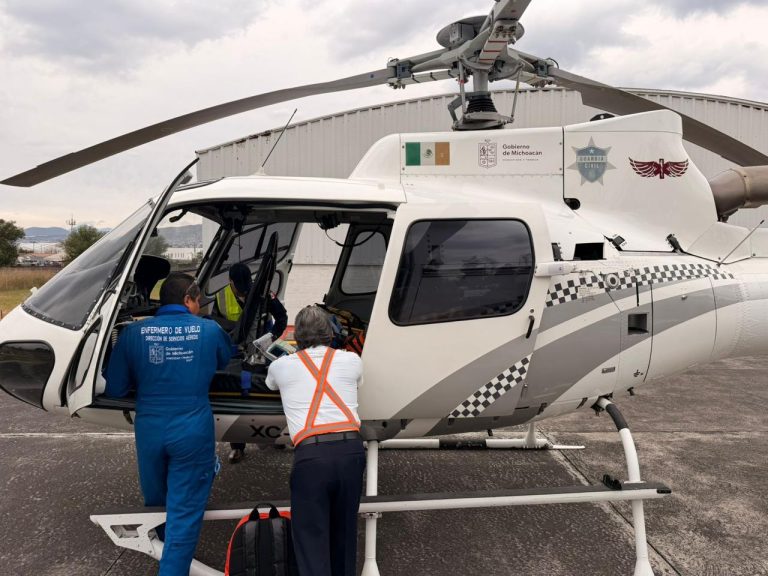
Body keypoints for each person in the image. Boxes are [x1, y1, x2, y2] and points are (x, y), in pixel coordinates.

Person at [105, 272, 232, 576]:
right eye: (198, 301)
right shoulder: (209, 330)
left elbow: (115, 388)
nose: (199, 307)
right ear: (188, 299)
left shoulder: (132, 333)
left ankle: (165, 551)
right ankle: (172, 566)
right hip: (191, 428)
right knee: (184, 511)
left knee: (157, 502)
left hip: (150, 429)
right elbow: (225, 361)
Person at [266, 305, 365, 576]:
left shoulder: (281, 366)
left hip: (311, 457)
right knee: (345, 536)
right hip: (351, 452)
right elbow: (358, 383)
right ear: (330, 333)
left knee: (311, 541)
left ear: (296, 337)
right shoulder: (352, 360)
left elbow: (270, 384)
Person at [217, 262, 288, 464]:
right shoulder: (221, 296)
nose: (243, 290)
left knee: (266, 393)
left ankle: (273, 437)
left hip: (261, 351)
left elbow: (282, 317)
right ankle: (237, 447)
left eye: (246, 286)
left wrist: (271, 337)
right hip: (234, 353)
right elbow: (216, 324)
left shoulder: (264, 293)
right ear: (230, 282)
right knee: (237, 396)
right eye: (239, 286)